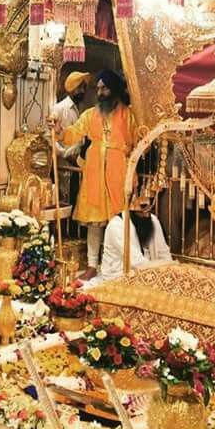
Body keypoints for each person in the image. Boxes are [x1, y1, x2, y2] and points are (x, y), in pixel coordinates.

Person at [53, 69, 135, 278]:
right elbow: (72, 135)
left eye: (104, 88)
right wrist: (59, 130)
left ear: (114, 90)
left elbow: (137, 142)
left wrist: (131, 171)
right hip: (95, 173)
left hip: (119, 172)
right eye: (98, 88)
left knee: (118, 222)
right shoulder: (90, 114)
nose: (99, 92)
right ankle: (91, 265)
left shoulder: (128, 116)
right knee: (94, 222)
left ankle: (118, 265)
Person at [90, 195, 172, 285]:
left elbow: (164, 253)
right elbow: (137, 262)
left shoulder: (152, 219)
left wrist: (172, 270)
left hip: (149, 273)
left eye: (149, 209)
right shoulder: (117, 225)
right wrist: (160, 273)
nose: (146, 214)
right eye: (143, 208)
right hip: (118, 278)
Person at [52, 72, 90, 208]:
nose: (83, 91)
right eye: (80, 88)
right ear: (72, 88)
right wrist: (66, 155)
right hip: (65, 166)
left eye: (84, 88)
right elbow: (50, 137)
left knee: (75, 202)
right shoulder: (59, 108)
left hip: (77, 164)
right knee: (64, 202)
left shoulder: (79, 110)